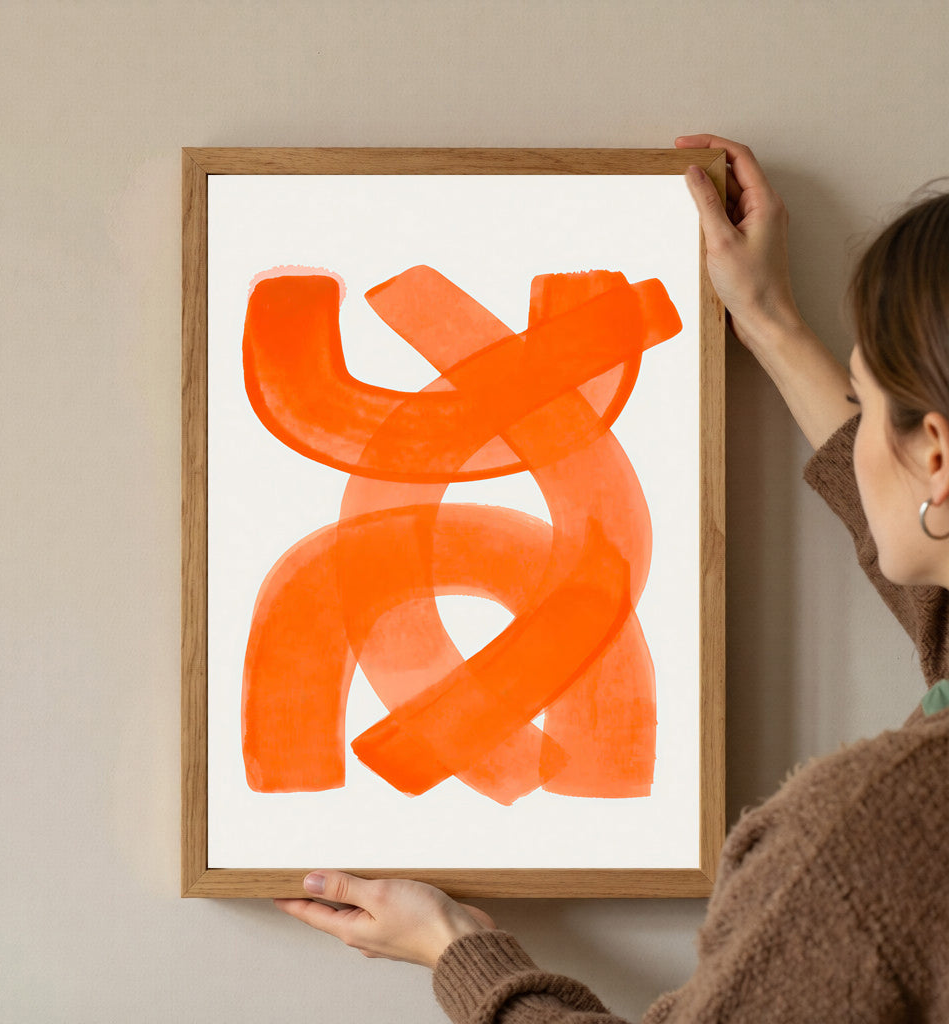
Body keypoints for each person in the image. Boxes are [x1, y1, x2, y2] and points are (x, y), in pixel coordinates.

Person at [274, 135, 949, 1021]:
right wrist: (769, 321)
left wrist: (460, 953)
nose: (855, 440)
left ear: (934, 451)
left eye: (864, 406)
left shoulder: (877, 833)